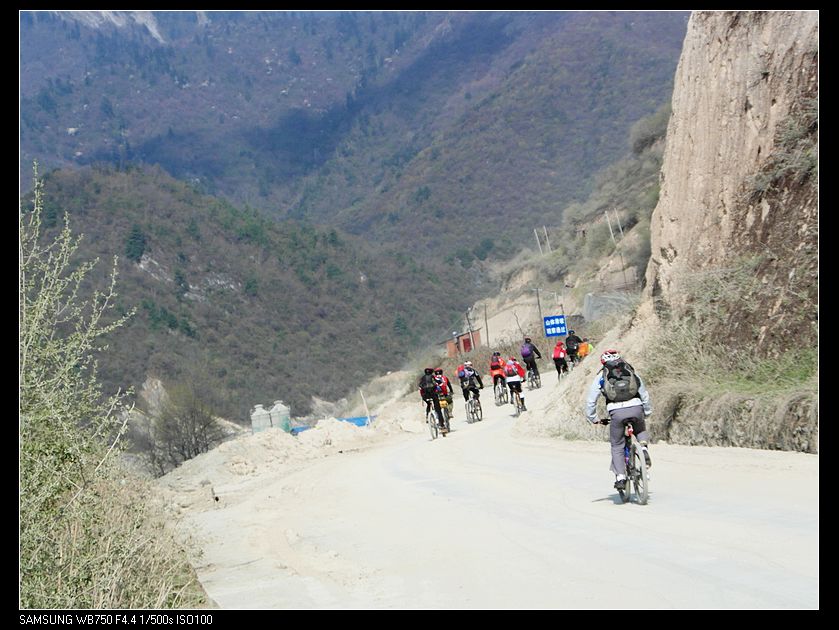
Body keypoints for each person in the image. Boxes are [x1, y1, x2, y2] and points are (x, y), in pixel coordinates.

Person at [585, 350, 652, 491]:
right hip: (636, 407)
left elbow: (591, 400)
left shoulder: (601, 376)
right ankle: (643, 448)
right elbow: (643, 393)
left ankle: (621, 477)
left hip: (616, 412)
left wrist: (594, 418)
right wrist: (646, 411)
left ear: (603, 363)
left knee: (617, 445)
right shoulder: (629, 371)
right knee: (640, 429)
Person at [418, 367, 446, 431]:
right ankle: (442, 425)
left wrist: (423, 396)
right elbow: (439, 383)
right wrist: (440, 383)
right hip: (433, 395)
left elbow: (420, 387)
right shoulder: (433, 377)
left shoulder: (422, 378)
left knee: (428, 404)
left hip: (425, 396)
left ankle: (427, 417)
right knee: (438, 410)